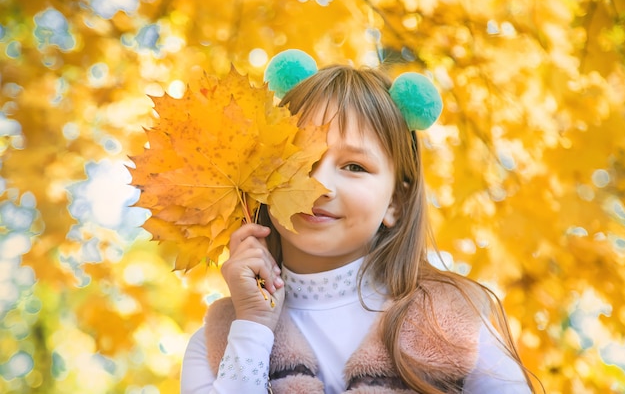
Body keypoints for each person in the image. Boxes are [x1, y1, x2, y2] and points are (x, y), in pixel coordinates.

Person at [180, 50, 537, 393]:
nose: (319, 184)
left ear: (394, 202)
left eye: (354, 167)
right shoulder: (219, 341)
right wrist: (252, 329)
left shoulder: (454, 323)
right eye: (300, 158)